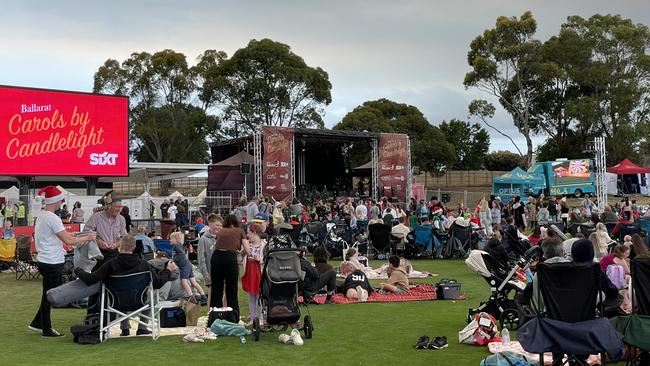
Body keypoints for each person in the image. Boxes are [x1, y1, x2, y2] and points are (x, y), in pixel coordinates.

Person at [74, 235, 177, 337]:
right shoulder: (144, 265)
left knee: (122, 291)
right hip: (140, 301)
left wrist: (77, 270)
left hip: (115, 303)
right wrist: (167, 270)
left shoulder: (111, 264)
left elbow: (91, 279)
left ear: (120, 247)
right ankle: (142, 327)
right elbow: (158, 284)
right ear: (134, 247)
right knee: (151, 294)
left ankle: (125, 328)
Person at [29, 186, 97, 338]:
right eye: (60, 199)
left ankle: (38, 323)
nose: (61, 202)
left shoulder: (42, 216)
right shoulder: (53, 218)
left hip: (45, 260)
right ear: (56, 201)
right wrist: (87, 237)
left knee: (47, 294)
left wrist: (71, 235)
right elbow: (68, 240)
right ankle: (46, 329)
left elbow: (59, 236)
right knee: (50, 296)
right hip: (52, 261)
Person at [210, 214, 249, 319]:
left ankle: (214, 317)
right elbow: (247, 249)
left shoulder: (221, 231)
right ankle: (233, 317)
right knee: (231, 289)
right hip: (230, 258)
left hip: (216, 257)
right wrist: (241, 254)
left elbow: (217, 243)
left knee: (216, 289)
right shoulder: (240, 231)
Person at [170, 232, 206, 302]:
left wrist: (173, 260)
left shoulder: (176, 246)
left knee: (184, 282)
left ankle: (191, 296)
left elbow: (181, 254)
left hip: (184, 266)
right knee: (193, 282)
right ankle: (203, 296)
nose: (169, 240)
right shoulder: (180, 246)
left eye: (171, 238)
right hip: (188, 264)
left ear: (176, 239)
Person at [241, 223, 265, 325]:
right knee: (251, 295)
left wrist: (260, 259)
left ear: (254, 232)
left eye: (249, 233)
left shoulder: (264, 244)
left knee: (260, 295)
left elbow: (268, 258)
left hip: (259, 271)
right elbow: (242, 257)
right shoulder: (247, 245)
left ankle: (261, 318)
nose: (248, 235)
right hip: (250, 271)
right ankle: (253, 317)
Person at [197, 214, 222, 307]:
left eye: (220, 225)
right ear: (210, 224)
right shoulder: (203, 239)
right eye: (217, 225)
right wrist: (205, 273)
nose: (219, 227)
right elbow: (201, 258)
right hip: (210, 272)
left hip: (222, 272)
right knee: (212, 296)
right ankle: (210, 315)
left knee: (223, 295)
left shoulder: (222, 237)